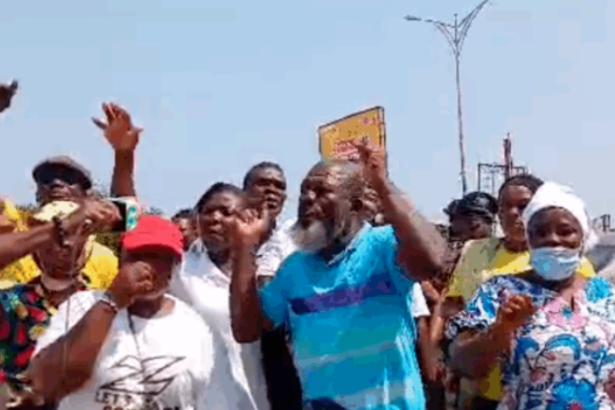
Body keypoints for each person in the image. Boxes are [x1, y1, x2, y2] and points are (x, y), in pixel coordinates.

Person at [230, 140, 444, 409]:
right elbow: (246, 330)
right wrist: (244, 248)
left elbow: (431, 263)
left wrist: (381, 184)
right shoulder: (292, 269)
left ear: (354, 205)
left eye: (322, 191)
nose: (308, 199)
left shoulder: (384, 247)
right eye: (305, 191)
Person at [446, 182, 615, 410]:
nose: (553, 239)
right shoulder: (501, 291)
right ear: (529, 238)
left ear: (583, 237)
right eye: (540, 232)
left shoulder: (606, 295)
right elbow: (462, 364)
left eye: (565, 231)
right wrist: (501, 330)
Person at [26, 216, 220, 410]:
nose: (146, 265)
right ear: (121, 259)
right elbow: (45, 383)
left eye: (158, 257)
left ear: (175, 266)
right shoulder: (81, 305)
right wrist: (112, 301)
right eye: (137, 255)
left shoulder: (193, 325)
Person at [0, 199, 120, 402]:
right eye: (52, 237)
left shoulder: (103, 307)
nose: (62, 244)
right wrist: (57, 229)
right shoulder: (9, 300)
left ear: (88, 244)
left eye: (76, 234)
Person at [170, 183, 268, 410]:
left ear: (247, 219)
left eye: (226, 212)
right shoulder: (180, 270)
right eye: (207, 211)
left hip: (253, 398)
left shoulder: (265, 272)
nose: (215, 218)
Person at [243, 162, 302, 410]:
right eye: (263, 184)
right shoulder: (226, 239)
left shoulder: (295, 241)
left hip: (285, 366)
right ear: (244, 191)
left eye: (279, 186)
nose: (271, 191)